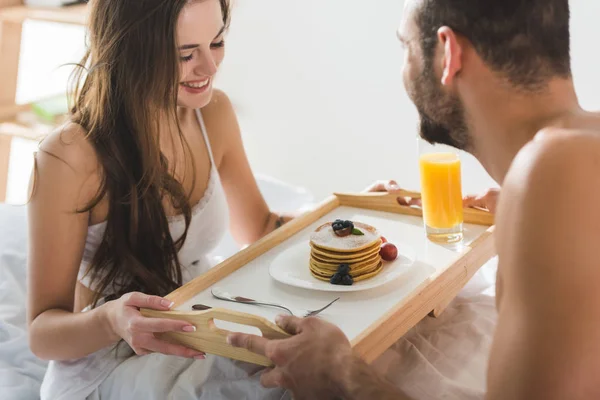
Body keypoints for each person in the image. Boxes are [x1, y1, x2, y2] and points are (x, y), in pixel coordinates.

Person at [228, 1, 600, 399]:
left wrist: (342, 376)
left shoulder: (553, 171)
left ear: (447, 53)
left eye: (405, 46)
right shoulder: (577, 155)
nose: (403, 70)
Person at [28, 0, 302, 398]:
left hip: (201, 327)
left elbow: (259, 228)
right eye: (186, 55)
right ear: (131, 51)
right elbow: (42, 334)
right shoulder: (70, 156)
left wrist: (344, 225)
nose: (209, 68)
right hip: (114, 357)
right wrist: (112, 320)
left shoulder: (213, 114)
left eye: (217, 42)